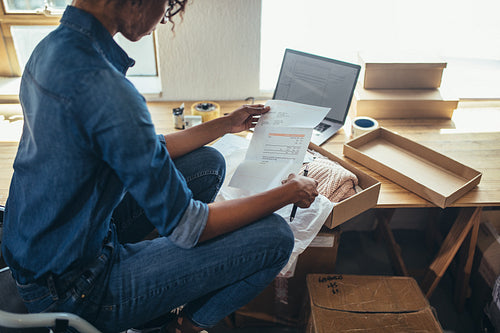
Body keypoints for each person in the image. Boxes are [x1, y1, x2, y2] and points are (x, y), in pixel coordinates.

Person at [1, 0, 319, 332]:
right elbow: (190, 226)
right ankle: (185, 325)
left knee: (208, 164)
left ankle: (163, 277)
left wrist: (225, 124)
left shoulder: (50, 50)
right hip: (77, 291)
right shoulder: (107, 89)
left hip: (49, 250)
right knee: (277, 237)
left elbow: (143, 149)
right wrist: (288, 193)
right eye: (167, 5)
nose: (165, 18)